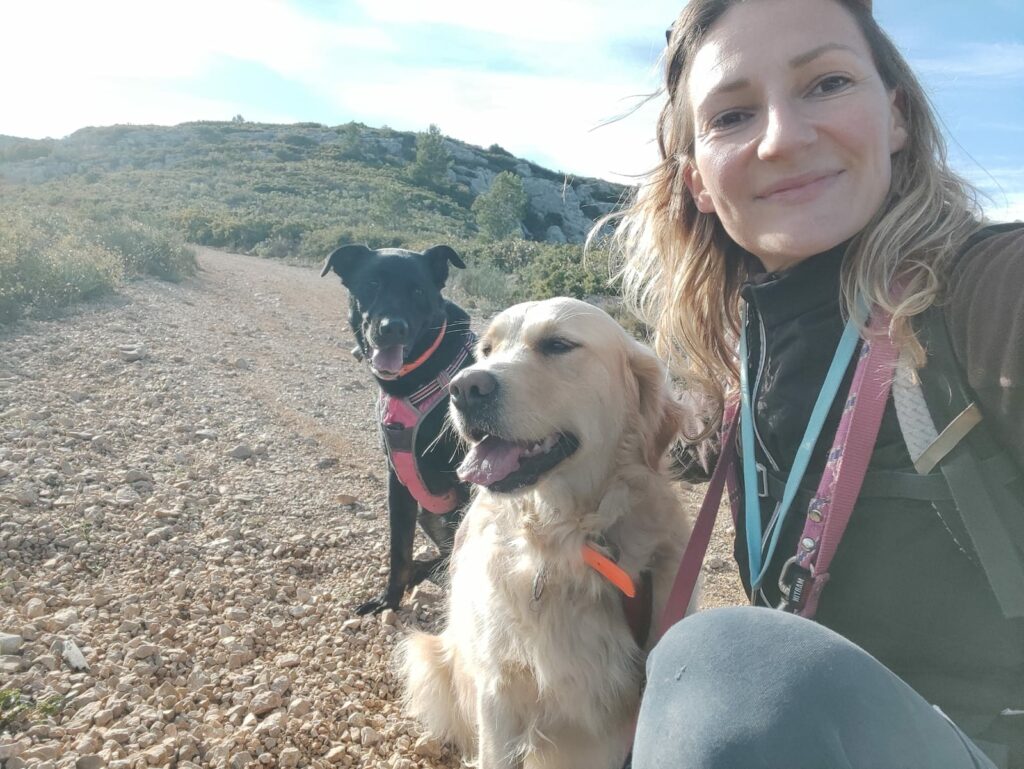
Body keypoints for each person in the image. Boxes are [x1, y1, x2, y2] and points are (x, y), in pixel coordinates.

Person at [611, 0, 1024, 766]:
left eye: (827, 82)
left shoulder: (991, 291)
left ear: (896, 116)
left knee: (727, 669)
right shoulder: (741, 357)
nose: (782, 138)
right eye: (732, 115)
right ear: (698, 180)